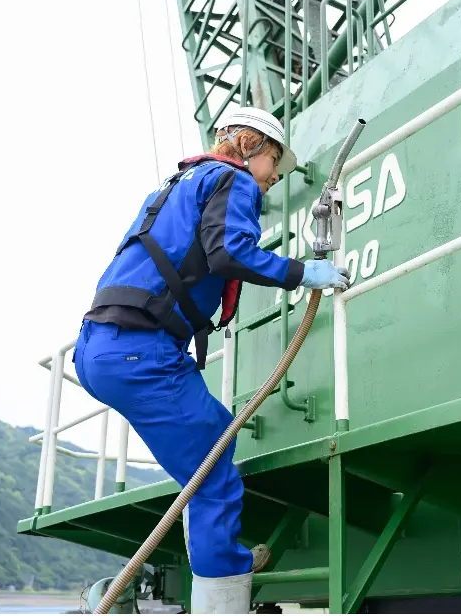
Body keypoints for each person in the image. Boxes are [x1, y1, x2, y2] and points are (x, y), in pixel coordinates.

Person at [73, 107, 349, 613]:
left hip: (96, 347)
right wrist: (304, 272)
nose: (271, 179)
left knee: (204, 449)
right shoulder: (235, 180)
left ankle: (212, 562)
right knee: (213, 466)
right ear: (247, 145)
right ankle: (224, 591)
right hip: (142, 350)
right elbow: (230, 254)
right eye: (272, 162)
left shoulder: (176, 184)